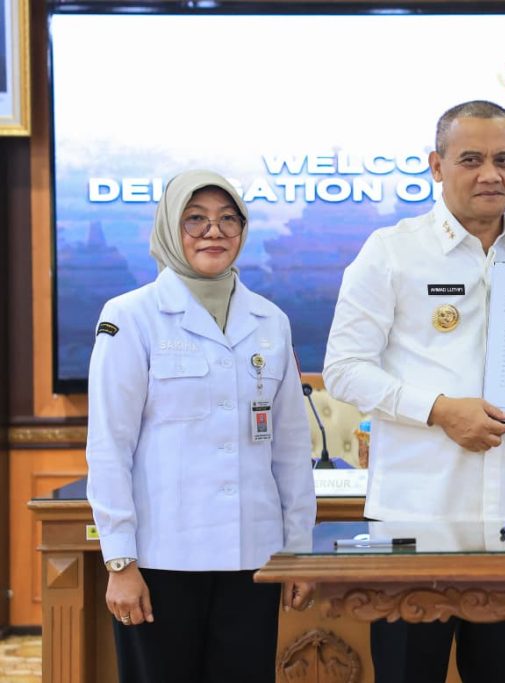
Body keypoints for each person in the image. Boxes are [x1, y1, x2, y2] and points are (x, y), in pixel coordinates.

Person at [323, 100, 505, 683]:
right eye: (471, 159)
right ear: (436, 166)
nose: (491, 174)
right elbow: (344, 369)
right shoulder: (391, 250)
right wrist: (438, 410)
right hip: (415, 521)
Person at [85, 169, 317, 683]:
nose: (214, 231)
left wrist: (298, 550)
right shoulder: (131, 316)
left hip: (252, 558)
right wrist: (120, 562)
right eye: (195, 219)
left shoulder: (270, 320)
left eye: (228, 219)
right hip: (162, 558)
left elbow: (289, 448)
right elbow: (109, 447)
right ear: (171, 227)